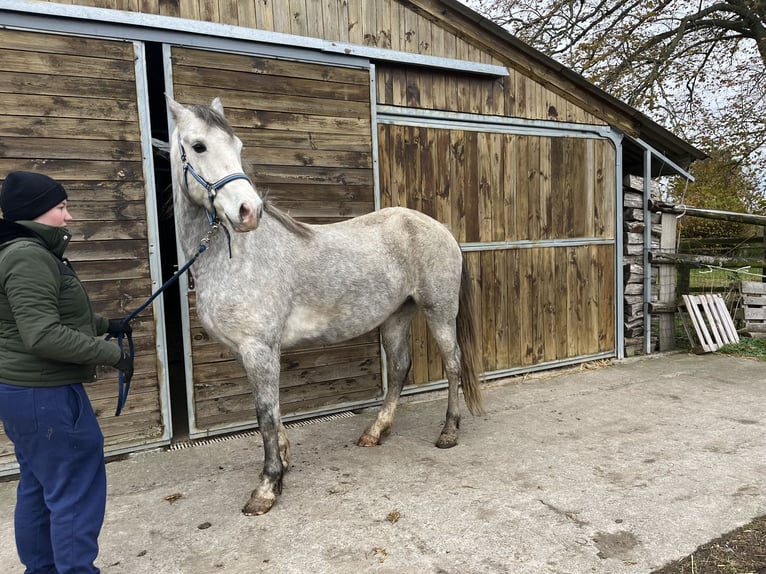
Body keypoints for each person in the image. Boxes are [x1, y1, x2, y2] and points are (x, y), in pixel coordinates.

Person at [0, 171, 134, 574]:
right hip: (47, 397)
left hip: (24, 394)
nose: (69, 216)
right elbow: (42, 334)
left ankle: (40, 570)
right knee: (74, 491)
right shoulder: (28, 256)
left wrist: (104, 325)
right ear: (37, 213)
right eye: (61, 208)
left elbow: (48, 315)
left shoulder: (20, 251)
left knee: (40, 487)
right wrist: (110, 355)